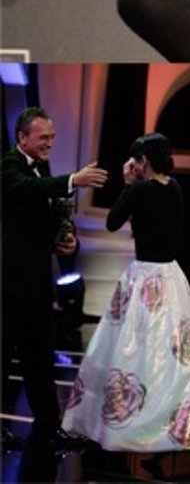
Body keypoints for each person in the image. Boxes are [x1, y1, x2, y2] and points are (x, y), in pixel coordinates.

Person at [63, 133, 190, 456]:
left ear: (144, 161)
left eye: (136, 159)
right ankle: (168, 419)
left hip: (145, 277)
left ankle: (129, 424)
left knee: (132, 347)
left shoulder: (140, 190)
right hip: (171, 277)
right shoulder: (175, 188)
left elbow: (112, 221)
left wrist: (127, 185)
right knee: (169, 352)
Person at [2, 108, 107, 453]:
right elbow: (26, 189)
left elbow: (41, 217)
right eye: (43, 137)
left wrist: (66, 241)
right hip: (8, 282)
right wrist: (73, 180)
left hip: (36, 282)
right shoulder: (8, 166)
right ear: (22, 138)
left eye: (53, 137)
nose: (50, 143)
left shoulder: (40, 168)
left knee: (40, 359)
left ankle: (48, 428)